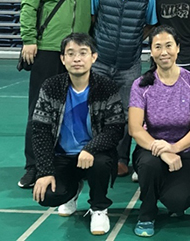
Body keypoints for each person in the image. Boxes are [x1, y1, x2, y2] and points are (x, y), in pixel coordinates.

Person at [19, 0, 99, 189]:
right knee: (40, 110)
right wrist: (29, 39)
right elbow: (29, 5)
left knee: (75, 110)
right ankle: (34, 166)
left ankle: (65, 161)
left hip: (79, 55)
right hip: (48, 49)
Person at [31, 33, 124, 236]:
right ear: (63, 59)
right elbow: (40, 131)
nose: (77, 59)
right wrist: (45, 171)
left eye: (83, 53)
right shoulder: (51, 87)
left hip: (94, 155)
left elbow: (115, 128)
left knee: (100, 163)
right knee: (47, 196)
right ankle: (72, 191)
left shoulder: (106, 87)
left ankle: (99, 208)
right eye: (71, 54)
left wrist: (90, 148)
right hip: (62, 156)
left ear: (94, 57)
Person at [128, 26, 190, 237]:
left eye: (169, 46)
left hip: (186, 151)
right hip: (151, 149)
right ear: (151, 51)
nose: (164, 52)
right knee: (149, 165)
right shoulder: (141, 85)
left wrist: (174, 148)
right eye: (158, 47)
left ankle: (164, 191)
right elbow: (135, 128)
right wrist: (163, 151)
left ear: (178, 48)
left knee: (178, 201)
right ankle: (147, 213)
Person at [91, 0, 158, 177]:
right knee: (96, 111)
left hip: (129, 65)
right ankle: (97, 153)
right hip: (100, 61)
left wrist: (132, 40)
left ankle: (121, 159)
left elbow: (150, 24)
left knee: (128, 114)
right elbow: (93, 17)